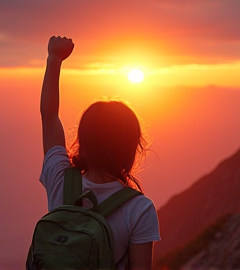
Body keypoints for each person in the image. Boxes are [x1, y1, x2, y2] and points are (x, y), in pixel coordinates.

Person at [40, 36, 160, 270]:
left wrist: (54, 59)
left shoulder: (60, 180)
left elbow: (49, 115)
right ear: (131, 148)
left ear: (83, 140)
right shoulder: (139, 208)